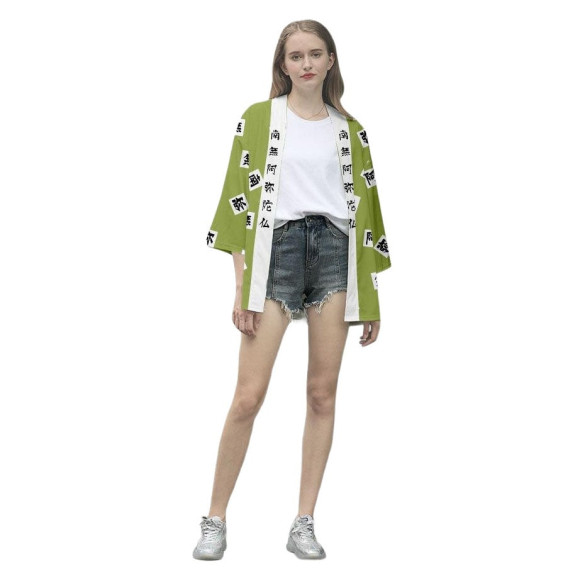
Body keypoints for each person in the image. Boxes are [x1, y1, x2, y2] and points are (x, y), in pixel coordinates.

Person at [194, 19, 391, 561]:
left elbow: (366, 215)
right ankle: (215, 518)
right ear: (283, 65)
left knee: (322, 393)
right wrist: (241, 285)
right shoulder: (259, 119)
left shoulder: (351, 131)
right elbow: (237, 198)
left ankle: (303, 521)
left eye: (315, 54)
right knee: (248, 395)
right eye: (296, 56)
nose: (306, 64)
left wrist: (370, 294)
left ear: (331, 61)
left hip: (335, 257)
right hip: (274, 256)